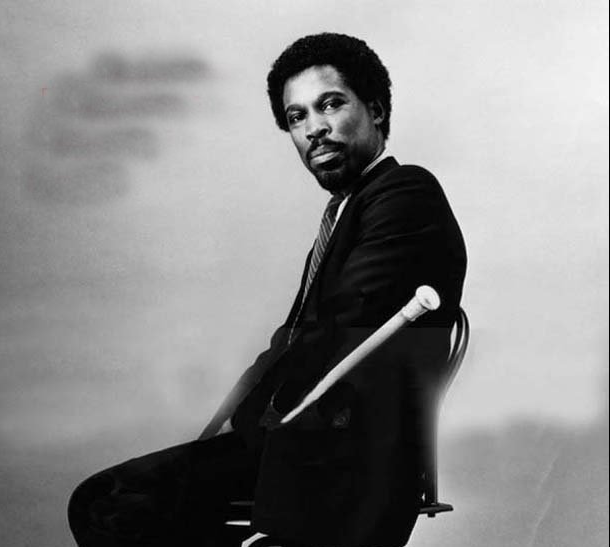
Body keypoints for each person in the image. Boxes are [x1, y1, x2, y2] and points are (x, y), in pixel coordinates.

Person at [68, 32, 466, 547]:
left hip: (342, 463)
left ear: (376, 110)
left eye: (330, 104)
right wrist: (227, 425)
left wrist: (249, 425)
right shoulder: (346, 214)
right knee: (105, 502)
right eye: (297, 117)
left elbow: (341, 333)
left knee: (112, 507)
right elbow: (291, 340)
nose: (314, 128)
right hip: (295, 440)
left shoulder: (405, 193)